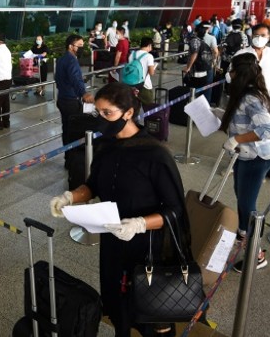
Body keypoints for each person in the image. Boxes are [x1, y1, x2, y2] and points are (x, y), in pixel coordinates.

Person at [49, 82, 186, 336]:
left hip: (147, 248)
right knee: (118, 303)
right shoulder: (107, 146)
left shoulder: (154, 155)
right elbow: (92, 185)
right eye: (97, 113)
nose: (101, 119)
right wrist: (70, 197)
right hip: (114, 242)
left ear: (128, 113)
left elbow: (175, 209)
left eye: (107, 113)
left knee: (149, 309)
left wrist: (139, 224)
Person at [219, 53, 270, 272]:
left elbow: (268, 130)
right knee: (243, 201)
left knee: (247, 207)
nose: (229, 73)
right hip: (246, 156)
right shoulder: (245, 94)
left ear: (239, 73)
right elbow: (243, 121)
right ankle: (246, 240)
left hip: (256, 158)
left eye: (231, 70)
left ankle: (257, 255)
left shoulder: (250, 98)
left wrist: (236, 139)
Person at [55, 34, 94, 151]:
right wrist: (84, 93)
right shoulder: (72, 61)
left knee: (66, 129)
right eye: (80, 45)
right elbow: (75, 79)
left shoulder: (61, 59)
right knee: (75, 131)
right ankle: (73, 158)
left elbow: (58, 79)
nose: (82, 48)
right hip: (71, 101)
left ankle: (68, 158)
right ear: (71, 46)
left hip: (62, 99)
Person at [130, 37, 158, 105]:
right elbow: (151, 73)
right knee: (148, 106)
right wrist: (154, 67)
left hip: (132, 85)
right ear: (149, 45)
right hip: (145, 86)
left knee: (135, 106)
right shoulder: (149, 56)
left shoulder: (132, 55)